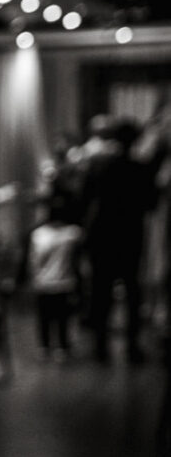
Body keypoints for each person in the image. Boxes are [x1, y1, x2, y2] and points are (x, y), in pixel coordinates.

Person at [82, 116, 156, 362]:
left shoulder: (101, 166)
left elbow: (85, 198)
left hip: (103, 234)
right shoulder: (141, 168)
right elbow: (150, 203)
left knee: (101, 290)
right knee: (132, 290)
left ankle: (100, 346)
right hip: (130, 235)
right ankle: (132, 346)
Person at [26, 195, 84, 361]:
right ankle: (62, 346)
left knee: (44, 317)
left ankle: (44, 346)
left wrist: (33, 278)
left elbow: (33, 260)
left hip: (43, 282)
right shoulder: (70, 234)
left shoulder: (38, 235)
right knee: (62, 317)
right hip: (64, 282)